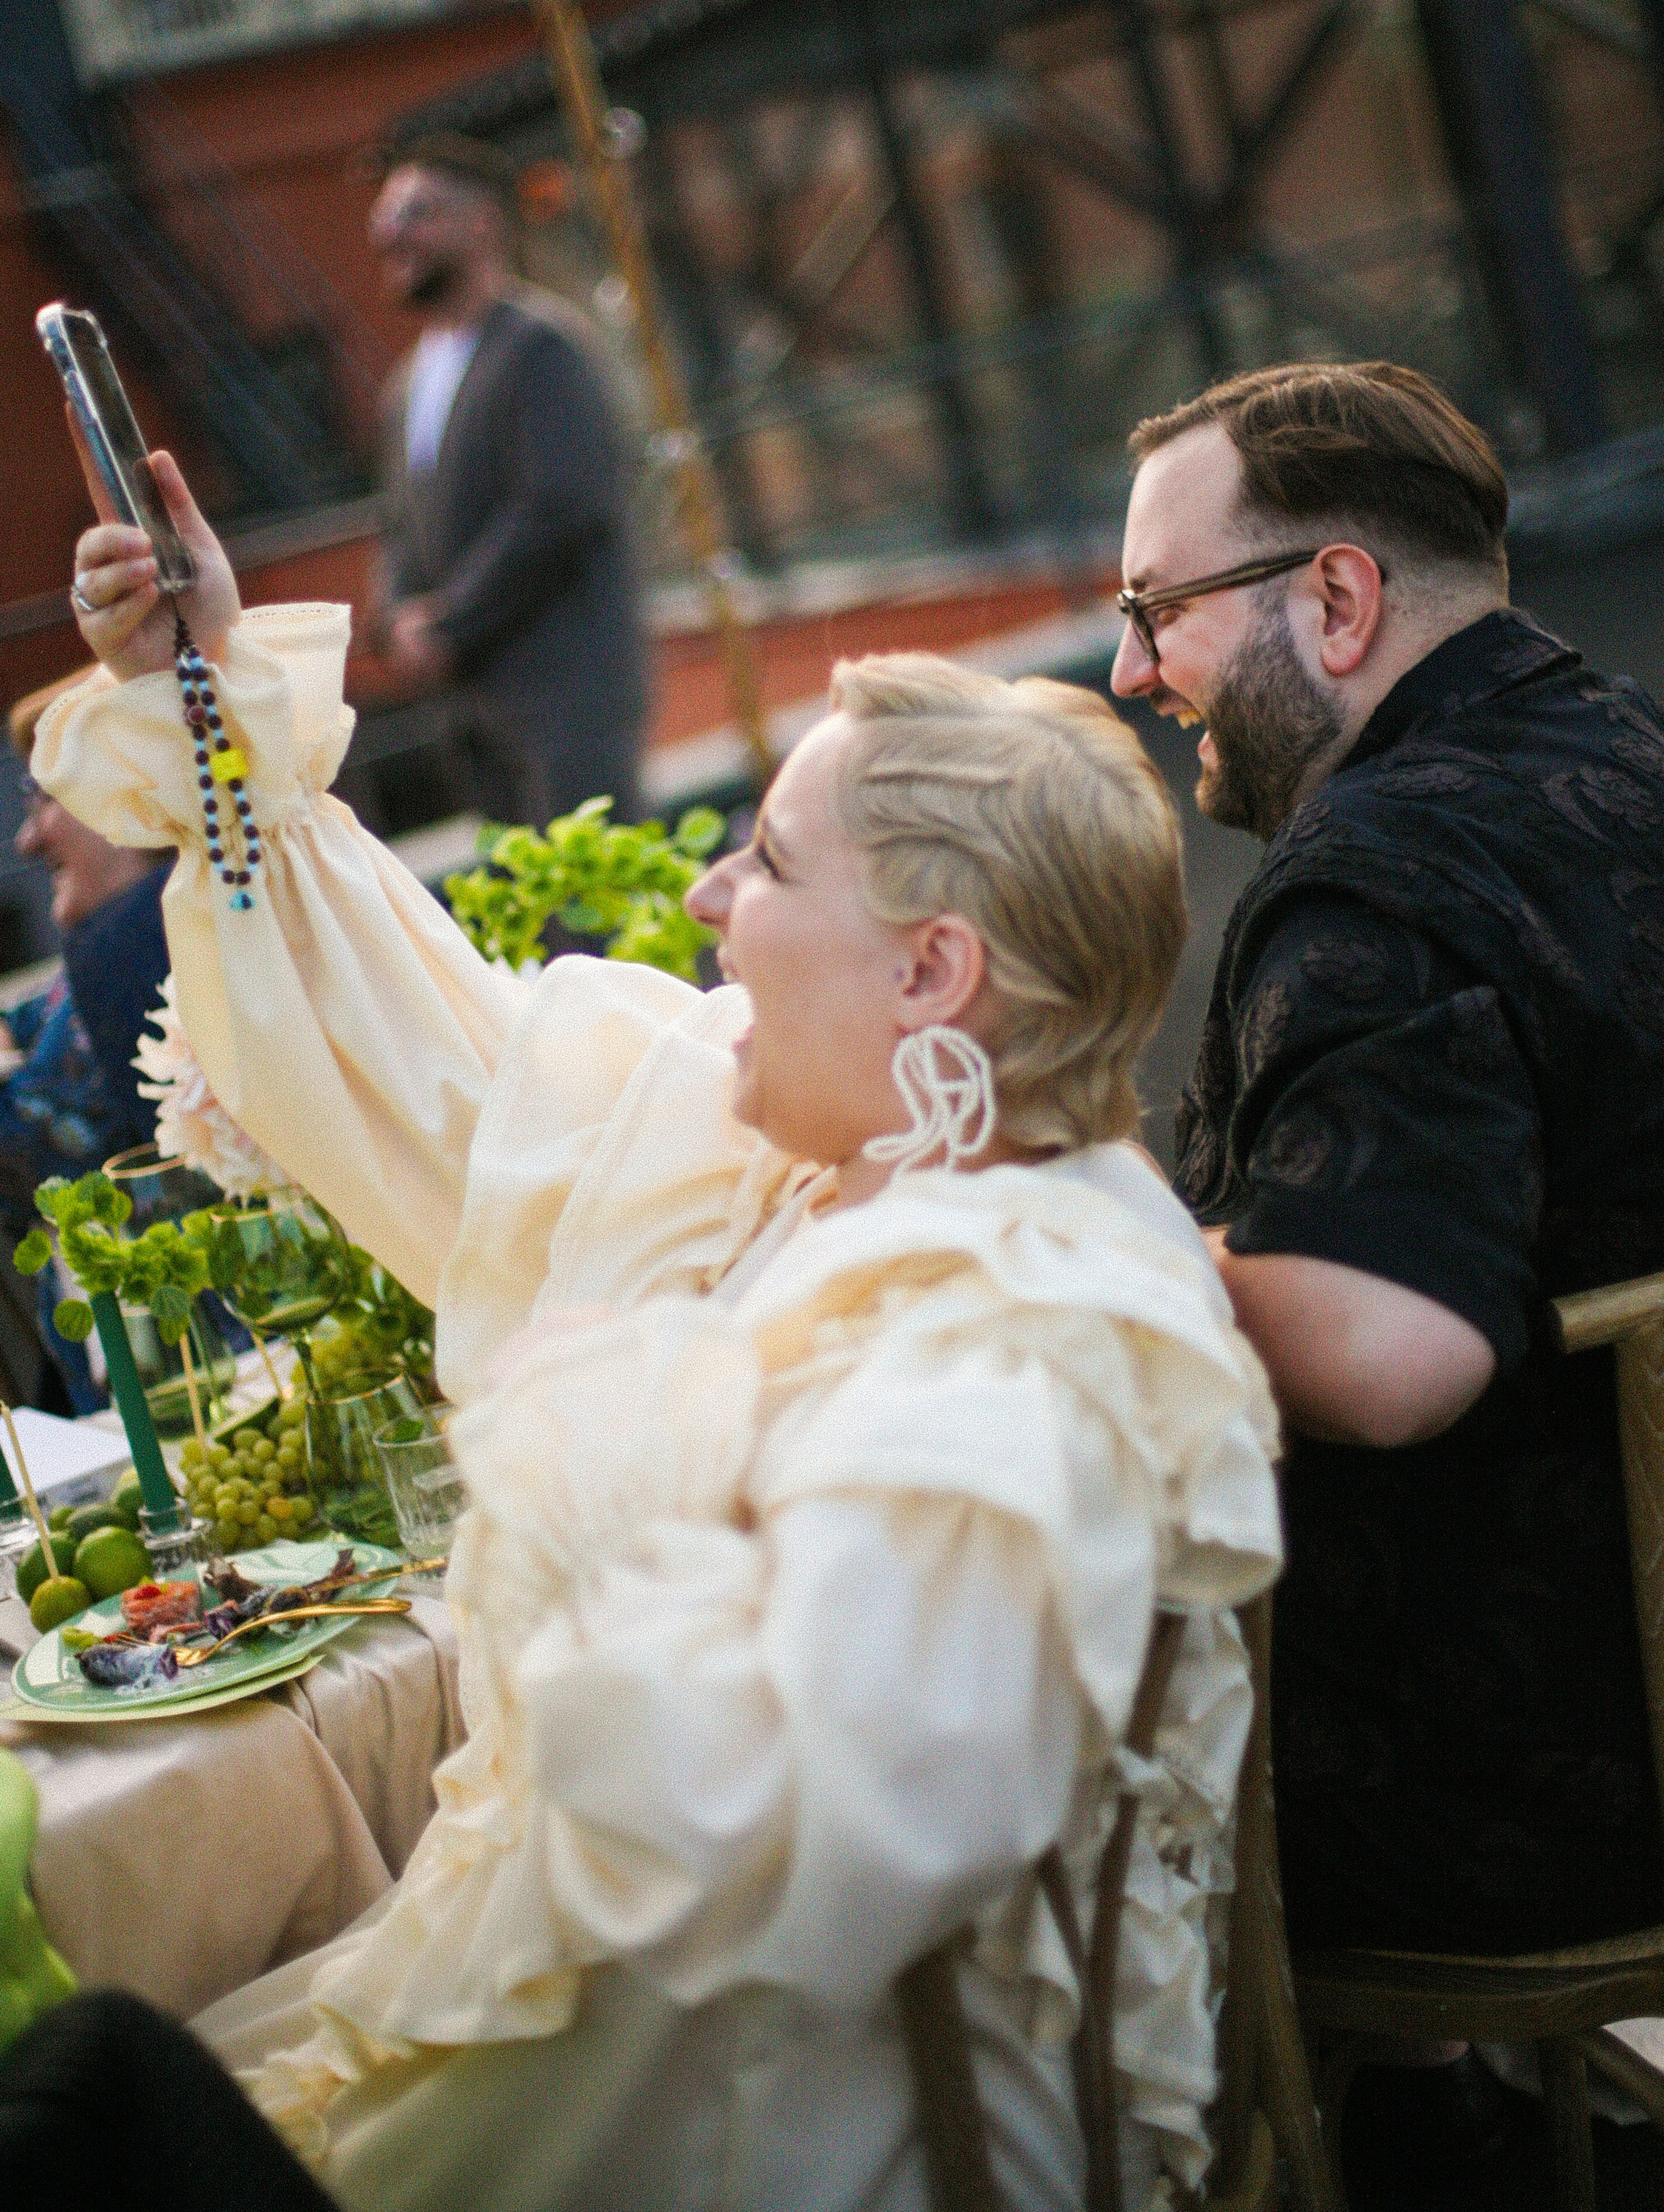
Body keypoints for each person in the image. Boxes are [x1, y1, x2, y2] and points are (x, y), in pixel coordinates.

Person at [41, 450, 1281, 2212]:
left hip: (759, 2107)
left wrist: (593, 1500)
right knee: (102, 2076)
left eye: (767, 864)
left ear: (930, 976)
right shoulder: (787, 1146)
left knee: (94, 2099)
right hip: (592, 2005)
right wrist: (207, 689)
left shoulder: (1025, 1324)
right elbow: (435, 1063)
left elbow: (849, 1838)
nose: (707, 898)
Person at [1108, 359, 1664, 1977]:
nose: (1127, 668)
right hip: (1657, 1690)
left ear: (1339, 598)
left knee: (1003, 1797)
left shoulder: (1374, 872)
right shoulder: (1653, 747)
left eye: (1155, 609)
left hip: (1573, 1784)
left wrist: (1083, 1225)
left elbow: (1385, 1359)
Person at [363, 133, 647, 830]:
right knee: (526, 923)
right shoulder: (407, 385)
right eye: (383, 215)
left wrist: (448, 623)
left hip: (565, 698)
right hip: (471, 714)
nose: (387, 232)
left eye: (416, 212)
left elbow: (562, 507)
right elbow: (399, 526)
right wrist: (392, 620)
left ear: (482, 224)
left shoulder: (540, 347)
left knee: (596, 914)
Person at [0, 678, 172, 1410]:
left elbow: (43, 1144)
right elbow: (40, 1027)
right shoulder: (146, 923)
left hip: (198, 1373)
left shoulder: (137, 935)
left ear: (125, 798)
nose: (27, 837)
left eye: (45, 799)